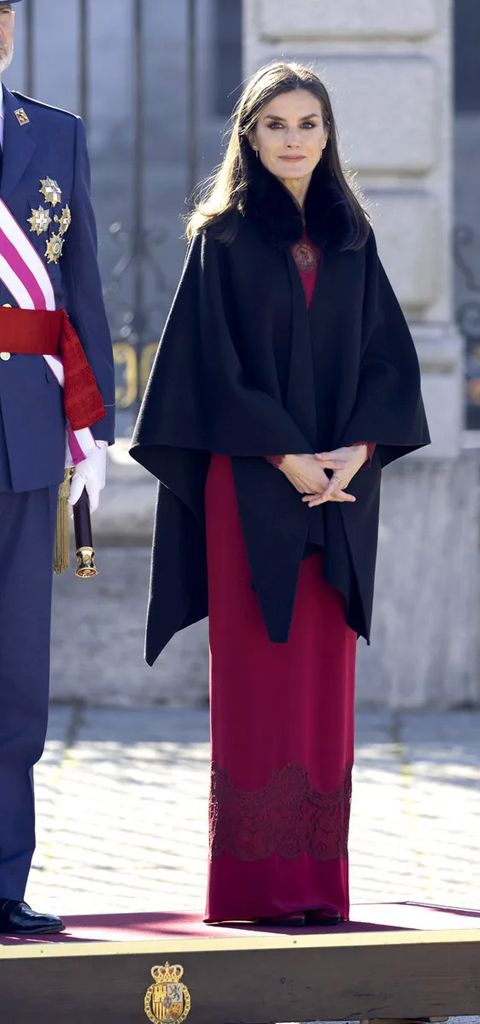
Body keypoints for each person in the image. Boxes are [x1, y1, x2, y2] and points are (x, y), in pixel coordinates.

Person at [130, 61, 429, 926]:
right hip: (251, 489)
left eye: (307, 123)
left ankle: (316, 891)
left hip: (337, 490)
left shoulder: (350, 237)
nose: (293, 138)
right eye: (275, 125)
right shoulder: (220, 240)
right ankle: (255, 893)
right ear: (249, 138)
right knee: (259, 679)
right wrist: (287, 455)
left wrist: (354, 451)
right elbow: (204, 372)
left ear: (327, 134)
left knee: (323, 685)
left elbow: (386, 361)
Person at [0, 0, 114, 934]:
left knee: (15, 675)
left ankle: (3, 882)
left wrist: (96, 431)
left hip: (26, 434)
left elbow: (82, 288)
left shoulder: (56, 134)